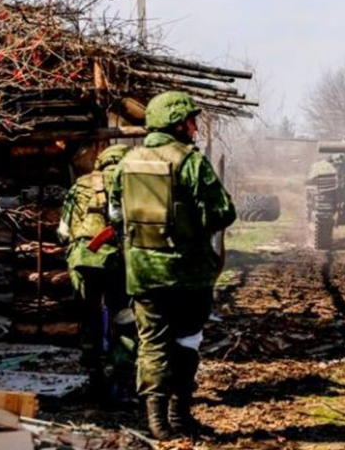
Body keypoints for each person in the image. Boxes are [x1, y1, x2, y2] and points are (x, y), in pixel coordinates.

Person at [109, 91, 236, 440]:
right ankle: (179, 418)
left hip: (143, 275)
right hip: (187, 274)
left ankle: (156, 422)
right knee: (186, 341)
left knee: (151, 343)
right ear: (177, 124)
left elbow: (115, 215)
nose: (195, 128)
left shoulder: (127, 162)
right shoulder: (190, 161)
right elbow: (223, 213)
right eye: (192, 121)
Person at [58, 143, 133, 397]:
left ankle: (93, 374)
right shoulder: (129, 183)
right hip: (116, 262)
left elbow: (62, 231)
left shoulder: (79, 184)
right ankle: (119, 372)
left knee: (89, 318)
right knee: (123, 316)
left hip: (82, 261)